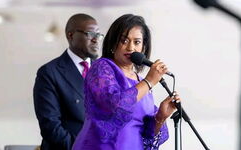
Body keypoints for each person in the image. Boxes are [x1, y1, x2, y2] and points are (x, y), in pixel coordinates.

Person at [72, 14, 181, 150]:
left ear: (143, 47)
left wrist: (160, 117)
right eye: (124, 41)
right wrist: (149, 81)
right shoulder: (102, 68)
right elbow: (116, 105)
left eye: (137, 42)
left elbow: (147, 136)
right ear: (113, 43)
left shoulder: (142, 82)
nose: (130, 48)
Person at [33, 13, 103, 150]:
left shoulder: (104, 71)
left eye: (98, 35)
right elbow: (50, 126)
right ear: (70, 35)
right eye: (90, 33)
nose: (96, 40)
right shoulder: (49, 73)